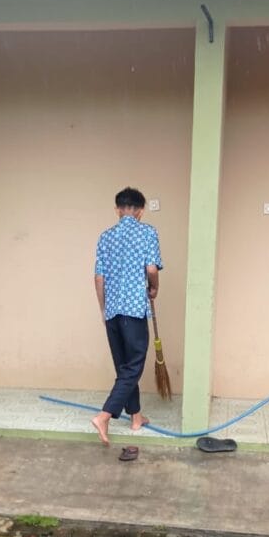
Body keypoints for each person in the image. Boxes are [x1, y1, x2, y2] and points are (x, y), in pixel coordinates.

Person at [91, 187, 163, 446]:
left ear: (117, 209)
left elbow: (99, 278)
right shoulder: (147, 232)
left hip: (112, 312)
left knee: (124, 368)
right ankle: (104, 415)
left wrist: (103, 310)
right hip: (133, 311)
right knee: (133, 367)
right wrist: (154, 287)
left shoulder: (105, 237)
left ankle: (136, 417)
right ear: (141, 211)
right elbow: (151, 268)